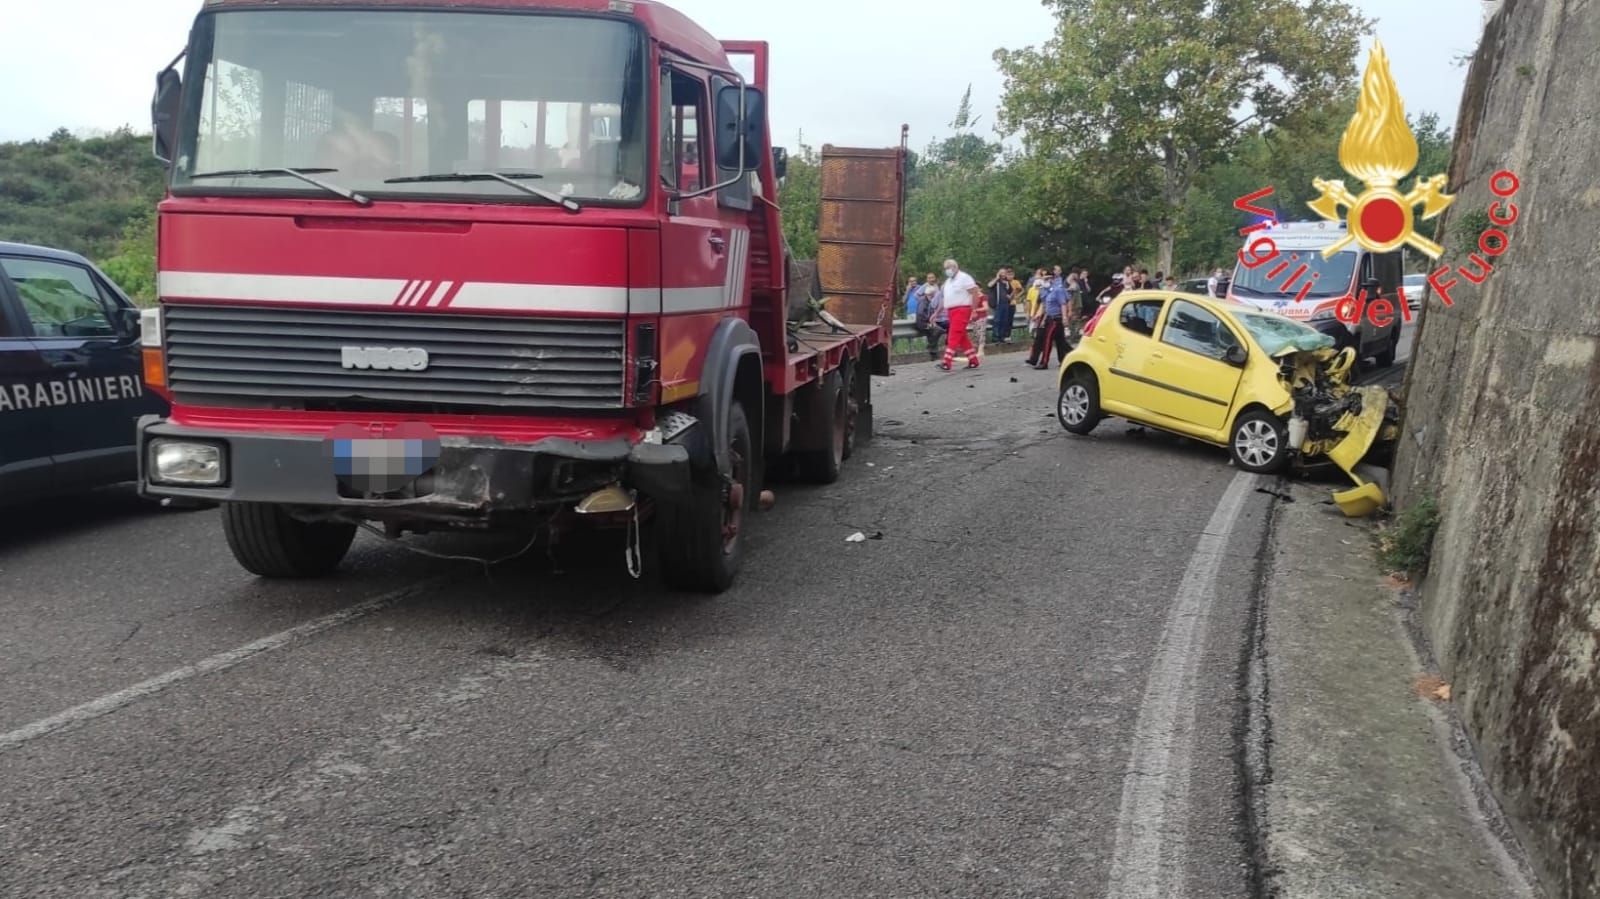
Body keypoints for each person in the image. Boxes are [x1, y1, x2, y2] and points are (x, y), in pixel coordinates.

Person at [937, 258, 982, 371]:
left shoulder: (964, 278)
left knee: (953, 335)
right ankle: (973, 360)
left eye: (949, 268)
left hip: (962, 309)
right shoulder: (948, 282)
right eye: (945, 268)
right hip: (951, 311)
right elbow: (944, 299)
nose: (947, 270)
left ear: (955, 267)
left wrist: (974, 309)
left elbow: (975, 293)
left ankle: (946, 361)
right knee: (962, 337)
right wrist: (936, 313)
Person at [1027, 270, 1070, 369]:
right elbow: (1047, 307)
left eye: (1048, 278)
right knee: (1060, 341)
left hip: (1056, 318)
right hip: (1050, 317)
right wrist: (1043, 319)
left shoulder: (1057, 290)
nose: (1045, 280)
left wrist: (1064, 317)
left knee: (1048, 340)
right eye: (1044, 278)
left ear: (1053, 279)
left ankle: (1044, 362)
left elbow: (1063, 304)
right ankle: (1064, 360)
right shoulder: (1048, 291)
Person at [916, 273, 945, 361]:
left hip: (927, 322)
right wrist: (929, 321)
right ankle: (931, 348)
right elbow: (921, 314)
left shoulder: (930, 302)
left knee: (933, 333)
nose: (933, 297)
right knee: (938, 330)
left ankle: (934, 354)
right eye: (932, 295)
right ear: (928, 294)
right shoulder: (923, 301)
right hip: (922, 323)